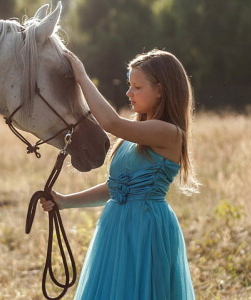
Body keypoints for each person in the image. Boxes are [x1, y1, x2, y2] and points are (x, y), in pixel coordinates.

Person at [40, 49, 199, 299]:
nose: (129, 93)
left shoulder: (169, 132)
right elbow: (116, 188)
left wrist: (82, 78)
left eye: (137, 87)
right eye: (129, 85)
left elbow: (111, 123)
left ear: (160, 89)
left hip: (145, 228)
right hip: (116, 226)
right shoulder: (135, 135)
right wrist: (65, 201)